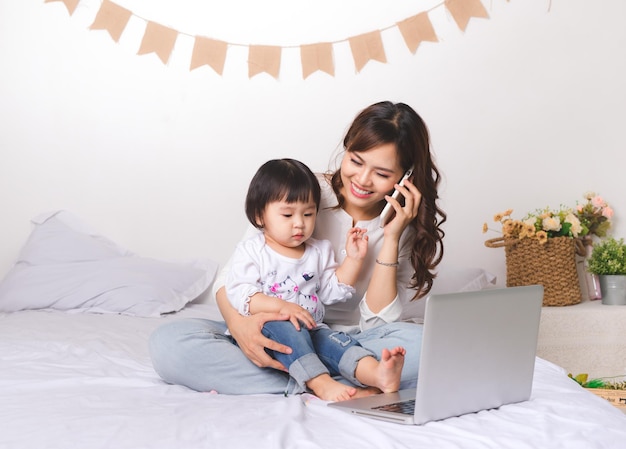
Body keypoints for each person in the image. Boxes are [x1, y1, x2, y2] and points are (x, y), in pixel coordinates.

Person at [149, 101, 446, 397]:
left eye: (381, 173)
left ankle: (320, 376)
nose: (363, 180)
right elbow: (231, 281)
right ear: (346, 151)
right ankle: (336, 382)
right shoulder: (299, 194)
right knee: (169, 343)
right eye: (355, 161)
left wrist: (391, 237)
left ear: (405, 177)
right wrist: (241, 327)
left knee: (430, 347)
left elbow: (377, 324)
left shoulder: (403, 222)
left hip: (351, 340)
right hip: (275, 327)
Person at [226, 158, 406, 401]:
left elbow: (331, 292)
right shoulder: (253, 250)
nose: (300, 223)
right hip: (271, 329)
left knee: (337, 342)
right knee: (286, 328)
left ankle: (377, 374)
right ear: (260, 216)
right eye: (288, 215)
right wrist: (282, 308)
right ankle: (320, 383)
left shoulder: (318, 250)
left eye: (308, 214)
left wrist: (353, 260)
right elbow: (239, 293)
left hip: (313, 328)